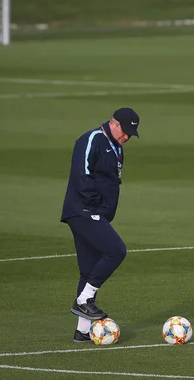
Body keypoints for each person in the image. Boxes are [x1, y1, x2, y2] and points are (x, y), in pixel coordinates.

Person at [60, 107, 140, 342]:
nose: (126, 137)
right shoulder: (92, 139)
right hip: (83, 211)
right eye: (124, 131)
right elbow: (81, 173)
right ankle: (84, 300)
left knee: (88, 269)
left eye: (130, 134)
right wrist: (95, 205)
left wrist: (105, 211)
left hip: (95, 213)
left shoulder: (117, 147)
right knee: (116, 250)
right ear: (113, 123)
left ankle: (82, 331)